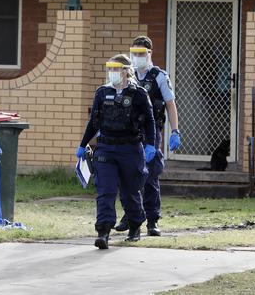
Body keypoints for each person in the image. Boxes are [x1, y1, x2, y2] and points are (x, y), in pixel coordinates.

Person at [76, 54, 156, 249]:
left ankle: (135, 225)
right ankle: (103, 232)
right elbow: (94, 121)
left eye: (116, 69)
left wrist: (151, 144)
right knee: (106, 191)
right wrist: (83, 143)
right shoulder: (102, 93)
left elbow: (150, 120)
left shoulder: (138, 94)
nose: (112, 73)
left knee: (130, 192)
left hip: (130, 148)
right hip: (106, 149)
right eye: (110, 69)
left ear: (126, 71)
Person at [114, 36, 181, 236]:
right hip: (130, 133)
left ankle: (152, 220)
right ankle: (130, 215)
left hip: (151, 133)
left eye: (141, 54)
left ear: (150, 53)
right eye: (134, 54)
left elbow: (170, 104)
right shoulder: (127, 74)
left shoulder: (159, 76)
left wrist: (175, 130)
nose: (137, 58)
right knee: (128, 175)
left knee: (150, 176)